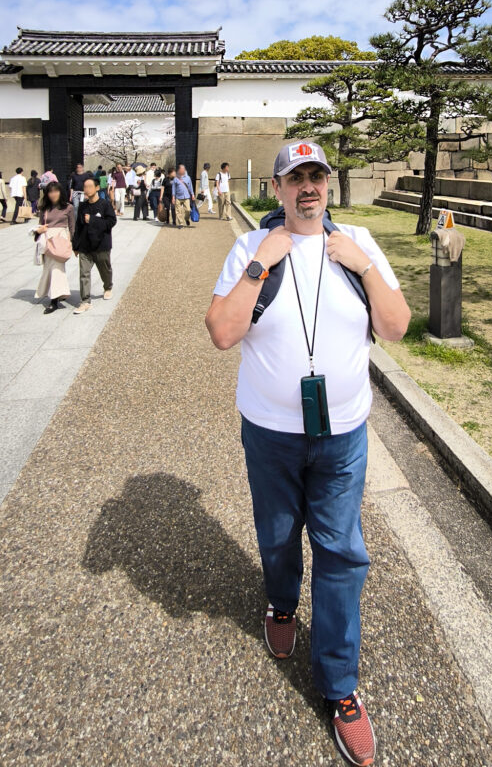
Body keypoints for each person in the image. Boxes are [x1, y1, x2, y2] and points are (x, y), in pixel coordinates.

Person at [205, 141, 411, 767]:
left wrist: (364, 266)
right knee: (276, 535)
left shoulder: (359, 243)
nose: (308, 187)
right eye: (295, 178)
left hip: (342, 434)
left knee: (342, 551)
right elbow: (222, 333)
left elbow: (397, 326)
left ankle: (340, 685)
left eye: (316, 175)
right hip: (270, 431)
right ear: (277, 188)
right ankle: (281, 602)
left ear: (327, 183)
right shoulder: (251, 248)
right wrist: (260, 265)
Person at [72, 177, 117, 314]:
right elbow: (78, 226)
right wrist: (75, 245)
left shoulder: (105, 204)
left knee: (105, 270)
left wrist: (92, 220)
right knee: (84, 273)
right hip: (85, 246)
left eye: (90, 187)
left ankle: (108, 287)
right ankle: (85, 301)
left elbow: (111, 222)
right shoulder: (83, 206)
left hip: (101, 245)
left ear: (97, 188)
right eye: (85, 187)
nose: (87, 189)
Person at [34, 181, 76, 314]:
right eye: (50, 192)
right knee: (49, 268)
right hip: (47, 240)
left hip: (60, 239)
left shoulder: (68, 207)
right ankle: (58, 293)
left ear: (60, 192)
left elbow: (72, 226)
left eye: (56, 191)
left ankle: (54, 301)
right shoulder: (44, 208)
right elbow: (40, 225)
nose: (53, 194)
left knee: (57, 268)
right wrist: (38, 231)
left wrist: (74, 244)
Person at [172, 163, 195, 228]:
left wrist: (192, 194)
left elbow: (190, 187)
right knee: (178, 211)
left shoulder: (188, 178)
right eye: (181, 169)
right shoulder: (176, 178)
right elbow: (173, 188)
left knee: (188, 210)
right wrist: (173, 197)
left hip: (186, 196)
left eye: (184, 169)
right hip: (178, 197)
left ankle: (186, 218)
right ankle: (180, 223)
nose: (183, 170)